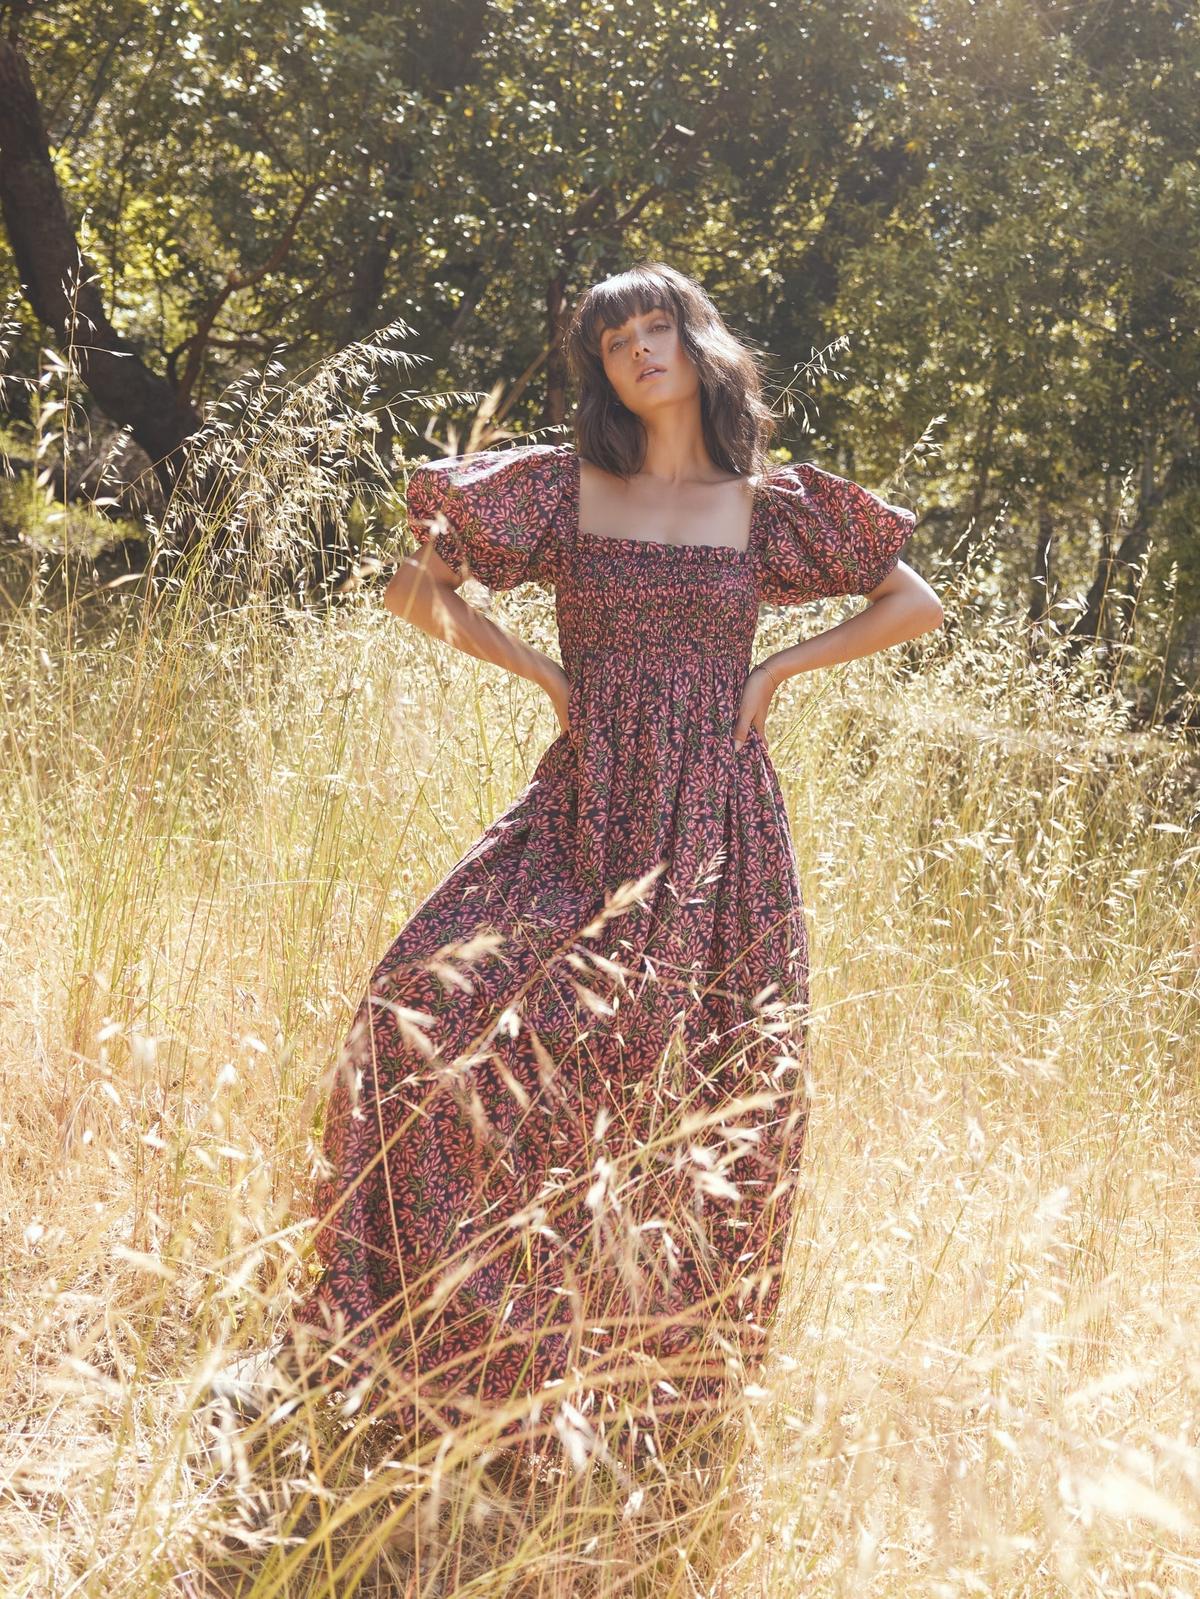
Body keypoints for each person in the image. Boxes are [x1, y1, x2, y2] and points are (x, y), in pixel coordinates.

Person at [233, 260, 943, 1472]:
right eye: (616, 342)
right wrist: (545, 675)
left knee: (690, 1078)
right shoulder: (563, 493)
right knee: (419, 1009)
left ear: (700, 347)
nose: (640, 351)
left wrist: (777, 671)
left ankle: (644, 1394)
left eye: (658, 328)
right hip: (583, 803)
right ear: (604, 372)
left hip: (714, 822)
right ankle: (431, 1347)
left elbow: (911, 600)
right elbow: (415, 590)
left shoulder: (766, 506)